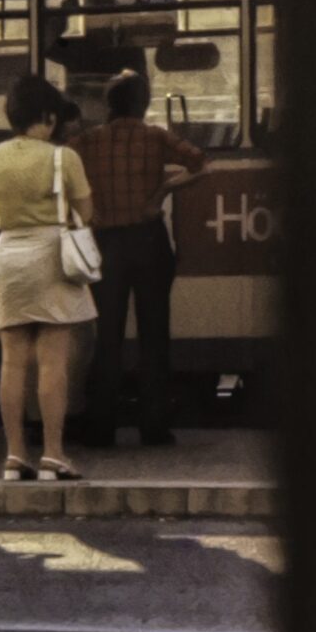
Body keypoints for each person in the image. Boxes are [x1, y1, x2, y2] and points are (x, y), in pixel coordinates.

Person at [72, 70, 206, 447]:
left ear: (108, 105)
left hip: (105, 245)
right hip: (149, 242)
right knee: (154, 336)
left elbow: (61, 175)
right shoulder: (155, 137)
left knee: (108, 337)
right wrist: (162, 189)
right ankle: (154, 425)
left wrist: (89, 212)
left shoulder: (87, 141)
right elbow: (200, 164)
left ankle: (101, 427)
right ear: (143, 104)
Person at [0, 75, 98, 481]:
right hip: (51, 255)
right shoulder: (63, 158)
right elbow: (87, 211)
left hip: (8, 255)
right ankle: (53, 454)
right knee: (52, 362)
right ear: (48, 117)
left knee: (12, 362)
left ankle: (14, 455)